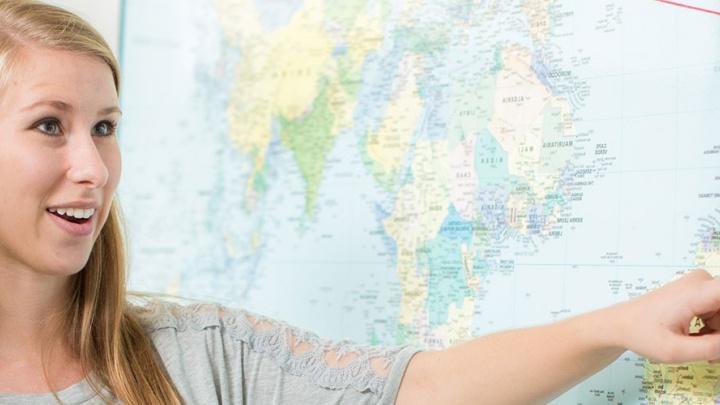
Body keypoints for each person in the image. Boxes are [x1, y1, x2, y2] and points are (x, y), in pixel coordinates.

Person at [1, 1, 720, 404]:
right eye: (49, 125)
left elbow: (421, 389)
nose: (94, 166)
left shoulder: (193, 356)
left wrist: (621, 323)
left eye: (105, 127)